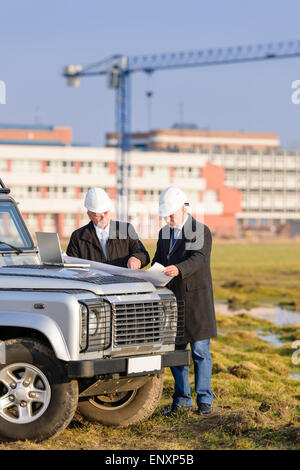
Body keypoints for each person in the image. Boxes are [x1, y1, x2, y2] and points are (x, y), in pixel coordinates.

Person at [152, 186, 217, 415]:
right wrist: (150, 274)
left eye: (171, 214)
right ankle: (181, 400)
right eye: (165, 215)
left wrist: (178, 269)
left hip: (197, 302)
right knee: (176, 352)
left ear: (182, 208)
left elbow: (198, 258)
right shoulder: (164, 233)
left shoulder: (199, 230)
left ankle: (205, 400)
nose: (168, 219)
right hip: (173, 304)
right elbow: (159, 260)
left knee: (200, 351)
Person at [66, 187, 150, 269]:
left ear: (109, 210)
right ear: (89, 214)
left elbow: (143, 254)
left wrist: (137, 258)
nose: (103, 217)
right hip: (92, 282)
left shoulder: (126, 229)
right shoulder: (78, 237)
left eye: (105, 213)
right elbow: (70, 267)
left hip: (123, 282)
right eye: (98, 215)